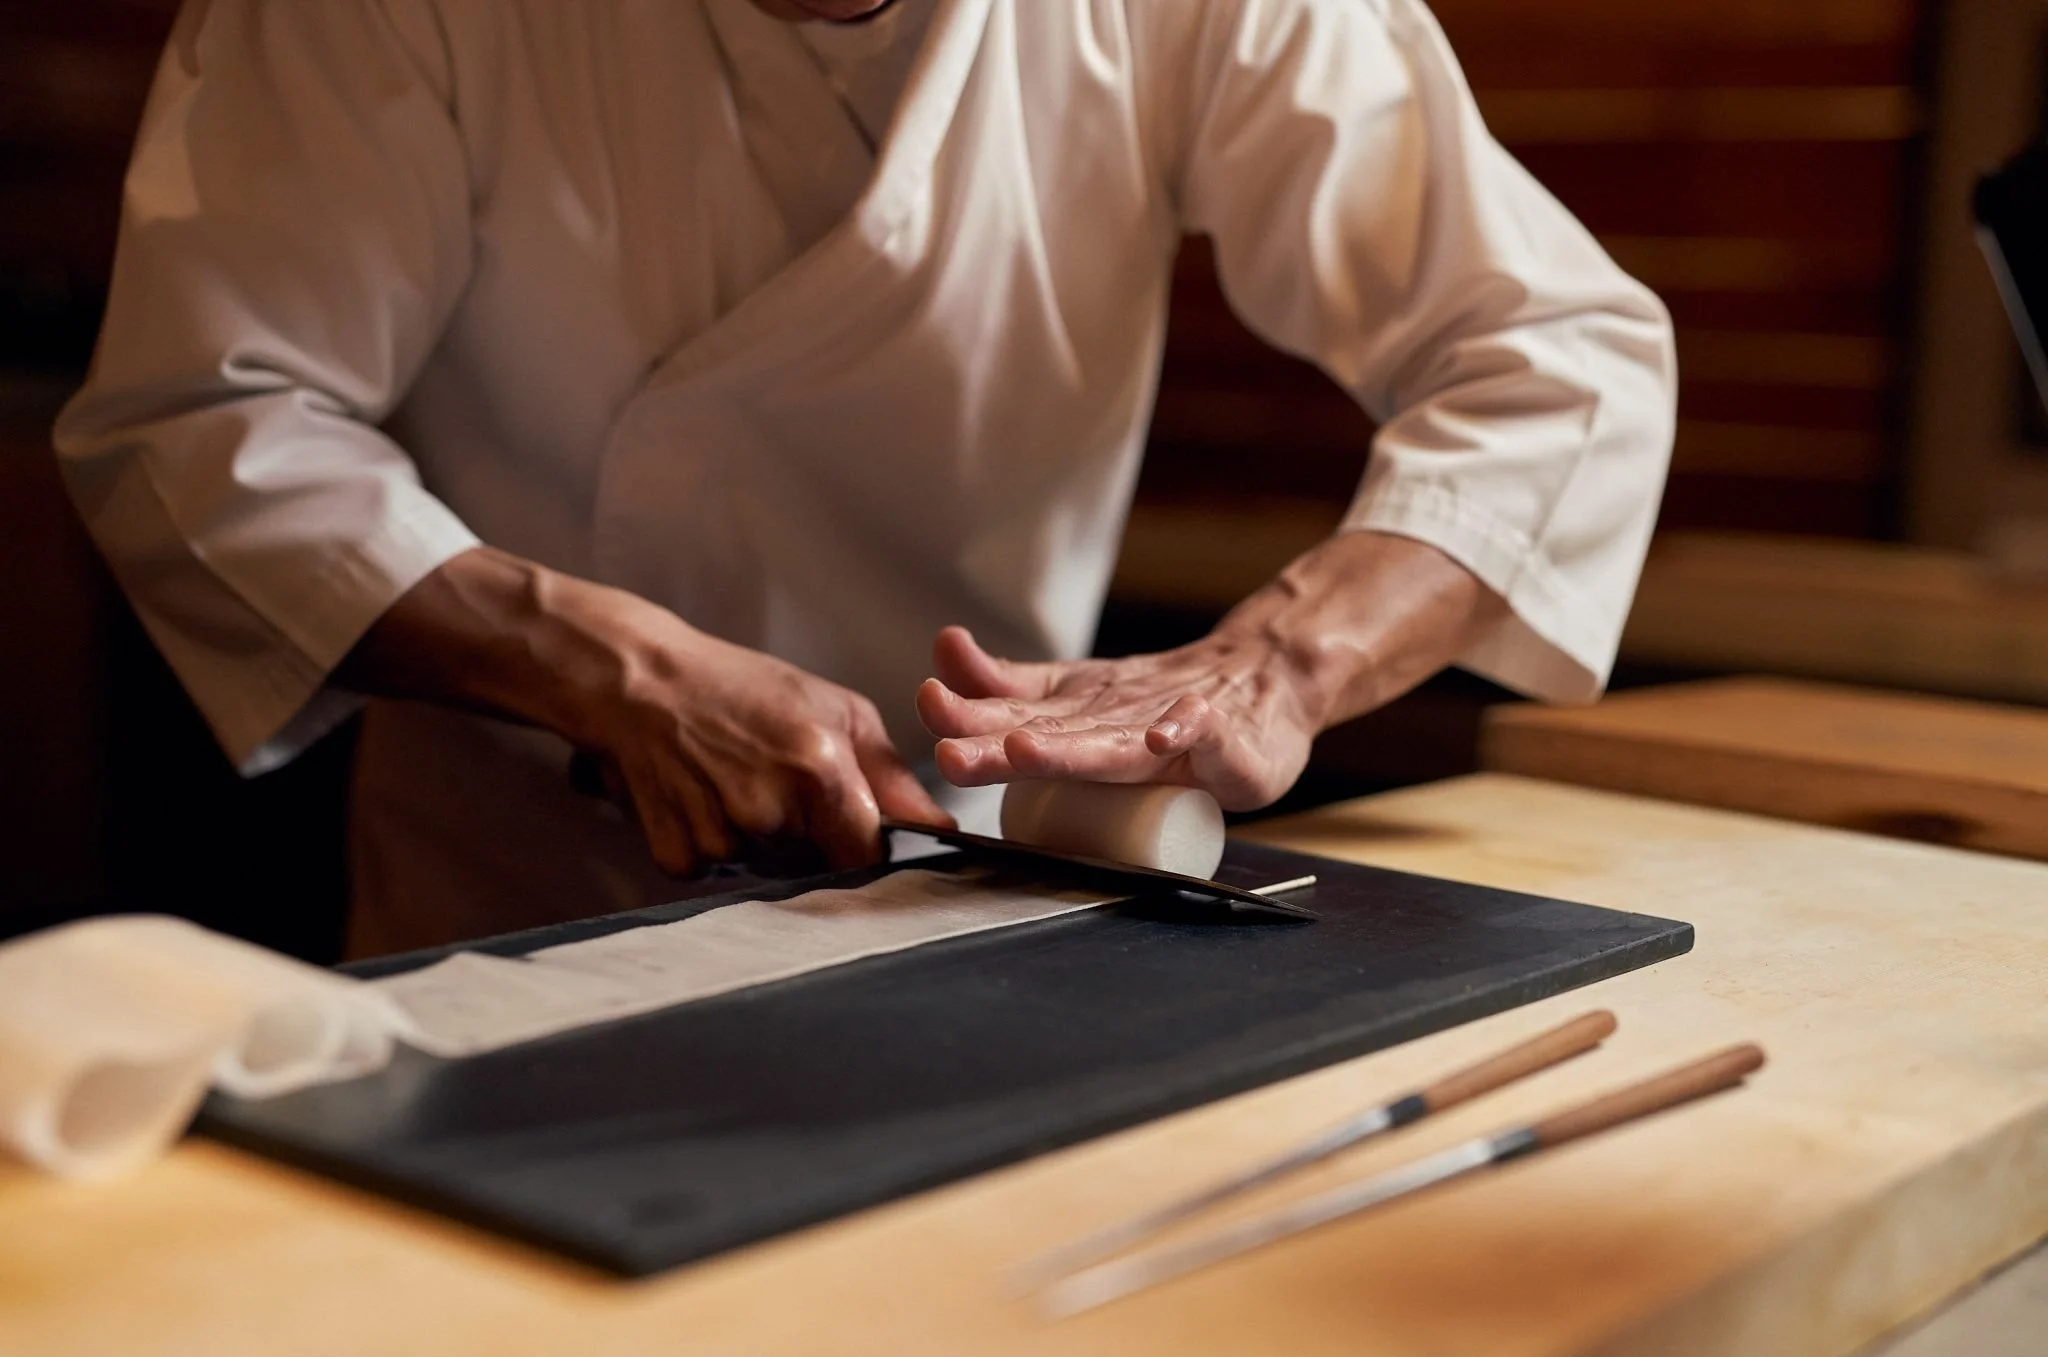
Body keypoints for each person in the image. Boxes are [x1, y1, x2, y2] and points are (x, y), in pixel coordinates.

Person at [55, 0, 1676, 956]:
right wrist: (608, 670)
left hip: (986, 886)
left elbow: (1560, 356)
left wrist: (1279, 661)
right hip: (511, 899)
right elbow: (206, 418)